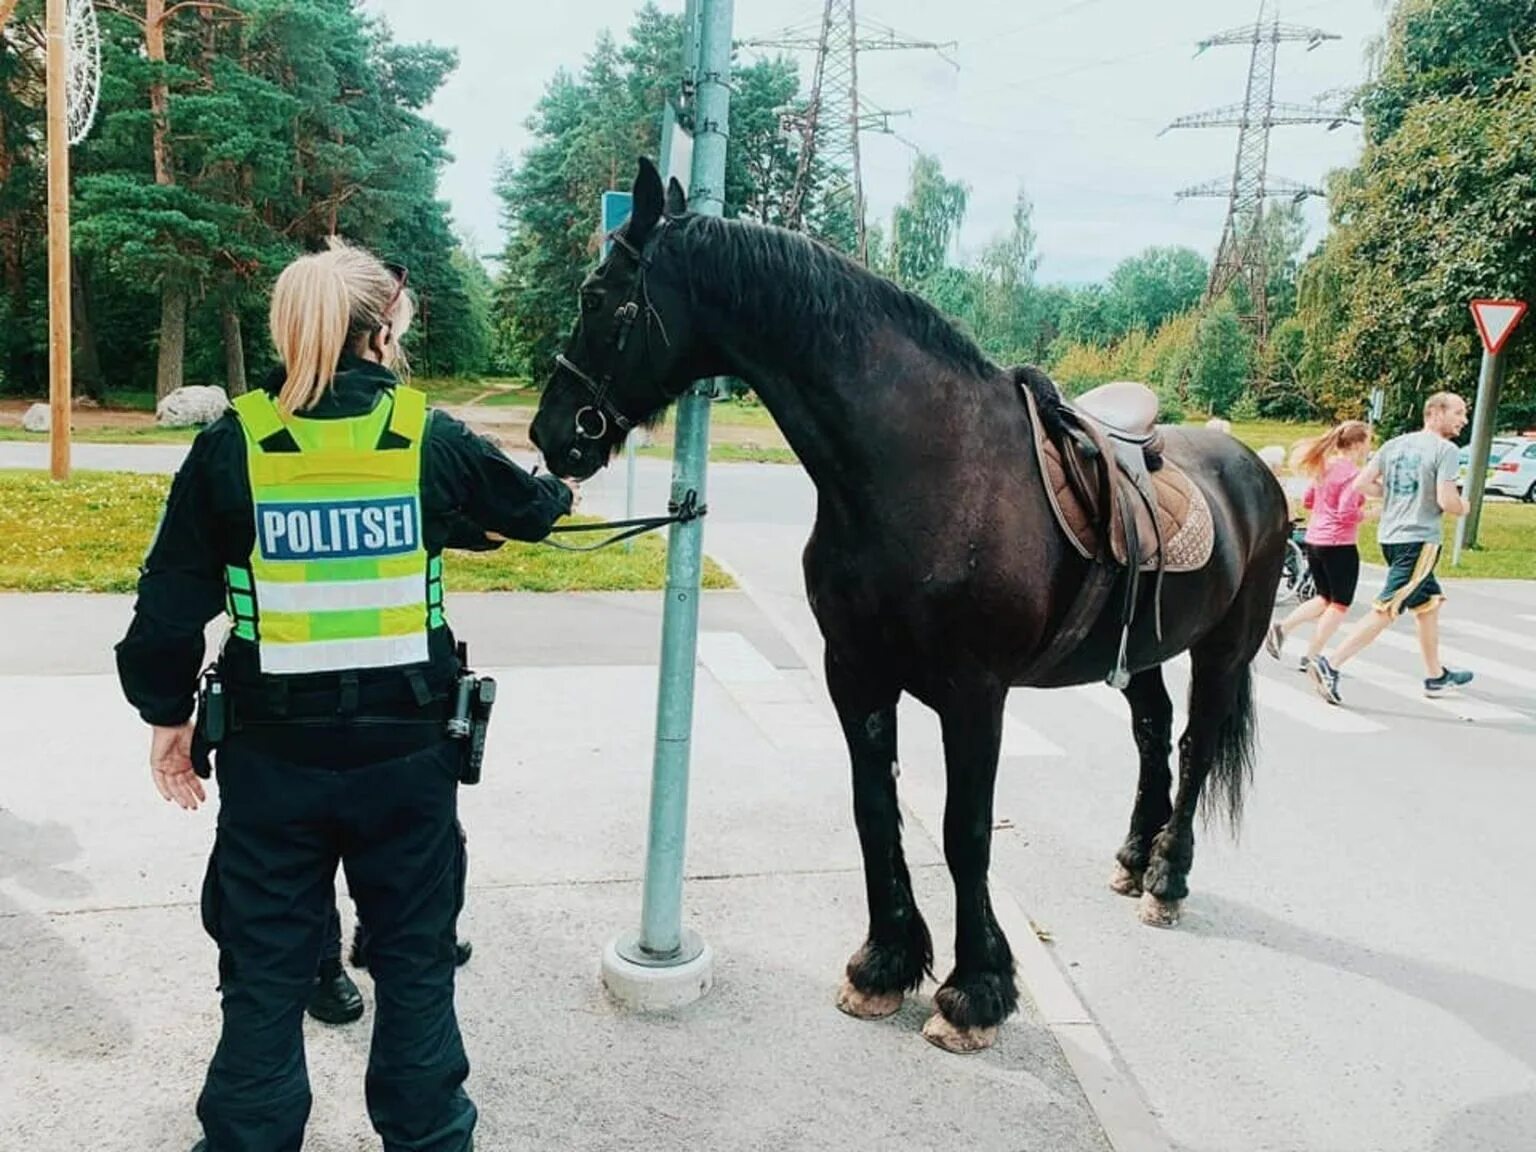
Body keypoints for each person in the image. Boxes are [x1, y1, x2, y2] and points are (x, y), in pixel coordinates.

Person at [115, 238, 575, 1152]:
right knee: (414, 965)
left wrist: (168, 721)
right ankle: (430, 1138)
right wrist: (552, 489)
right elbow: (527, 510)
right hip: (408, 762)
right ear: (387, 324)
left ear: (289, 329)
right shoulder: (424, 436)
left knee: (262, 975)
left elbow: (167, 612)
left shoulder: (232, 443)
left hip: (271, 765)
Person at [1309, 392, 1474, 706]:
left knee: (1428, 605)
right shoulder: (1446, 450)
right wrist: (1464, 506)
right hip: (1419, 539)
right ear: (1435, 413)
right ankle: (1330, 663)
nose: (1463, 420)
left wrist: (1395, 495)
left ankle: (1435, 675)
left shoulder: (1394, 444)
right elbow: (1446, 501)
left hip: (1391, 537)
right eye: (1458, 413)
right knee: (1388, 608)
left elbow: (1361, 485)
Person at [1264, 420, 1371, 672]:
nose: (1369, 447)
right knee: (1340, 603)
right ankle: (1311, 655)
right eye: (1368, 441)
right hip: (1339, 543)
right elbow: (1346, 511)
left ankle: (1282, 628)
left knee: (1325, 597)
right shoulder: (1353, 474)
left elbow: (1309, 501)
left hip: (1315, 539)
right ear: (1356, 444)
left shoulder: (1323, 467)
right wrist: (1367, 514)